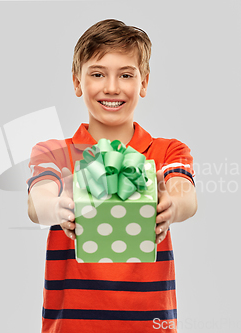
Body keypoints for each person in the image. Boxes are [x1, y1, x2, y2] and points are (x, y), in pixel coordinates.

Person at [27, 19, 197, 333]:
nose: (112, 87)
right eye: (97, 74)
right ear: (77, 83)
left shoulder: (167, 150)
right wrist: (58, 206)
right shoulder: (54, 153)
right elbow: (38, 201)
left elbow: (184, 192)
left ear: (143, 83)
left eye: (126, 75)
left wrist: (171, 203)